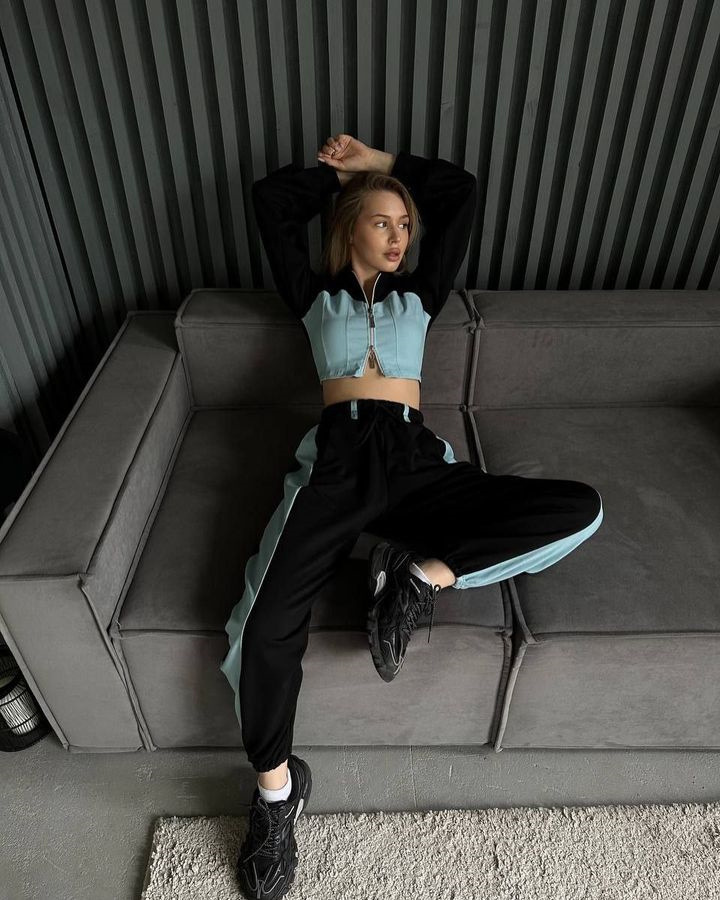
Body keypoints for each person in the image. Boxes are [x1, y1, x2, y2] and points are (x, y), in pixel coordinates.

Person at [221, 135, 604, 899]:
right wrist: (338, 178)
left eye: (404, 225)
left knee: (579, 510)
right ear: (349, 228)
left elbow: (460, 193)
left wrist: (384, 164)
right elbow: (271, 202)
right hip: (334, 465)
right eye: (383, 222)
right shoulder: (313, 295)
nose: (399, 237)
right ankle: (276, 795)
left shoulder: (420, 295)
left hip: (415, 459)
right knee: (261, 626)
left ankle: (420, 574)